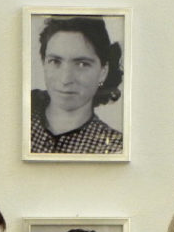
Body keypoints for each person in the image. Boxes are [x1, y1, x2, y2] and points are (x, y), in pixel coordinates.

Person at [30, 16, 124, 154]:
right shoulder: (19, 113)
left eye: (82, 64)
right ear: (44, 63)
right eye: (55, 61)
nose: (65, 79)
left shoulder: (115, 148)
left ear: (103, 71)